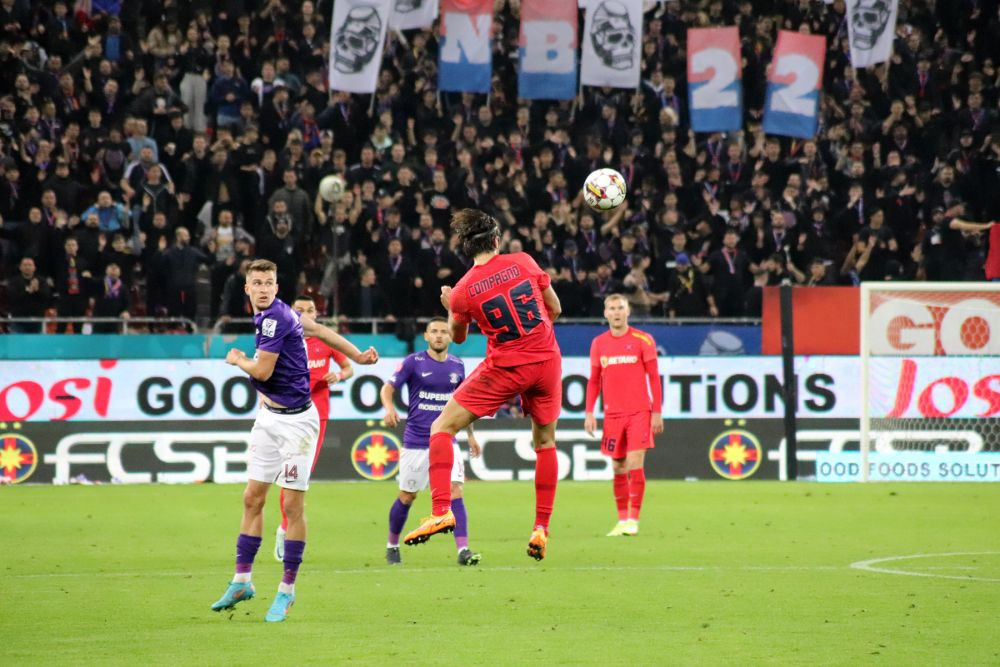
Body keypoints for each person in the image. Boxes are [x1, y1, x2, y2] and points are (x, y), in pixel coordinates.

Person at [210, 259, 378, 622]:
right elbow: (319, 330)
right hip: (268, 418)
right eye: (257, 282)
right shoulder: (278, 314)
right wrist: (357, 354)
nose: (264, 288)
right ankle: (242, 580)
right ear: (247, 288)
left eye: (270, 282)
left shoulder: (275, 318)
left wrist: (239, 359)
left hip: (298, 424)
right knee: (252, 498)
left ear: (276, 286)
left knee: (292, 507)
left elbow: (262, 370)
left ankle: (287, 589)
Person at [402, 209, 563, 561]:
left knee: (442, 427)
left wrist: (450, 307)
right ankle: (541, 527)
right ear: (497, 240)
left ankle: (442, 508)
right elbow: (555, 308)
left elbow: (457, 338)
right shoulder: (524, 261)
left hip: (506, 366)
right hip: (547, 359)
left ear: (465, 248)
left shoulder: (462, 291)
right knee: (545, 442)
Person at [380, 318, 482, 567]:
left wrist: (470, 434)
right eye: (434, 332)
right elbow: (387, 388)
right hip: (416, 441)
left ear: (450, 337)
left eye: (444, 332)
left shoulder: (458, 365)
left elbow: (464, 404)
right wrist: (389, 408)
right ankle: (392, 544)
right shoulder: (413, 362)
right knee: (407, 496)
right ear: (426, 336)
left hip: (447, 439)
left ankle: (463, 550)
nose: (439, 336)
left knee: (455, 490)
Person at [271, 294, 355, 561]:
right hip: (285, 415)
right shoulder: (282, 341)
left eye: (310, 310)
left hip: (317, 417)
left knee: (297, 478)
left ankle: (286, 529)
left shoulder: (325, 340)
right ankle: (285, 529)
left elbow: (348, 368)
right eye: (299, 310)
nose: (305, 313)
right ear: (291, 313)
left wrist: (338, 375)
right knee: (285, 476)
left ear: (316, 315)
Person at [584, 294, 663, 537]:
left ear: (628, 312)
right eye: (612, 308)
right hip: (612, 415)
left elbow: (654, 377)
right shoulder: (599, 343)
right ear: (605, 313)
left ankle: (633, 519)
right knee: (618, 466)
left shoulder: (643, 340)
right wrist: (589, 412)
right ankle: (621, 520)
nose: (616, 312)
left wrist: (656, 412)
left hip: (639, 411)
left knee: (634, 462)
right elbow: (594, 380)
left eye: (620, 308)